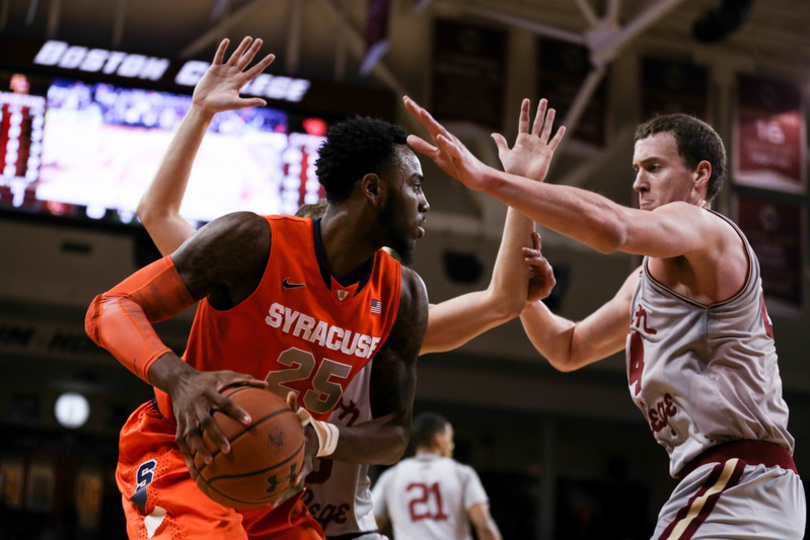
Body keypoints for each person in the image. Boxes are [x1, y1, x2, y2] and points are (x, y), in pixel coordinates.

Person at [134, 41, 562, 539]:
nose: (364, 274)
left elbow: (502, 300)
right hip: (231, 496)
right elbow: (157, 214)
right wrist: (200, 112)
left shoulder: (387, 318)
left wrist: (522, 189)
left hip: (334, 525)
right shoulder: (252, 270)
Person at [403, 96, 807, 538]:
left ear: (700, 175)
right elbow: (568, 348)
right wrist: (533, 300)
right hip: (731, 482)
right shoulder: (643, 284)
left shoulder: (707, 232)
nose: (638, 182)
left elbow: (613, 228)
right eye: (636, 170)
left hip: (737, 480)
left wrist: (489, 179)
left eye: (653, 168)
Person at [84, 35, 435, 540]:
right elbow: (110, 307)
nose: (425, 202)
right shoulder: (253, 242)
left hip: (272, 482)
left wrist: (322, 437)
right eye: (416, 185)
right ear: (373, 189)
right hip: (185, 456)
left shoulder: (404, 296)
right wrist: (181, 380)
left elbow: (396, 432)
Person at [370, 413, 501, 540]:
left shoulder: (392, 475)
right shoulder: (461, 472)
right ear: (437, 440)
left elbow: (371, 526)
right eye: (450, 440)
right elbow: (484, 526)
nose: (452, 446)